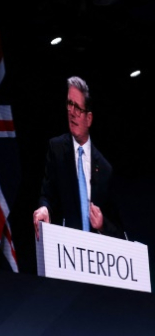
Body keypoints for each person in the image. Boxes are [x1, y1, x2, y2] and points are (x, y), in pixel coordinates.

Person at [33, 76, 120, 239]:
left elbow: (117, 227)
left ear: (89, 118)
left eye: (78, 108)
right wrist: (44, 208)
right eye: (69, 104)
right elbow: (47, 195)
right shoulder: (56, 149)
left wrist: (102, 224)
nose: (71, 113)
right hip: (64, 250)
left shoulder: (105, 169)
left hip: (94, 254)